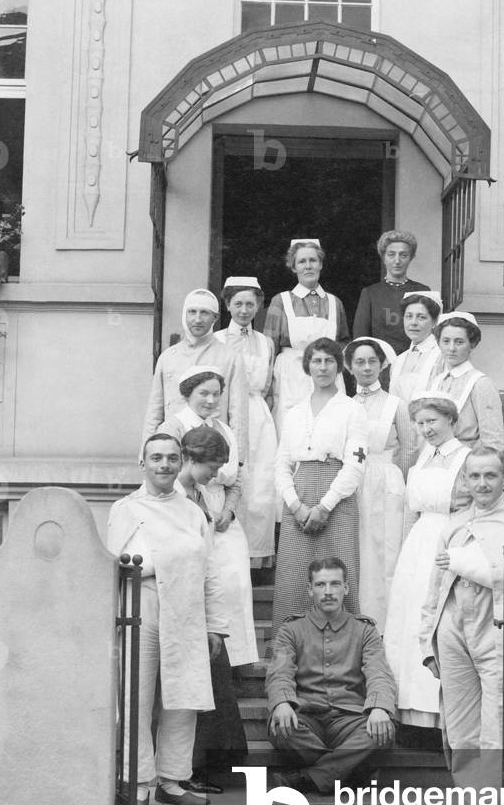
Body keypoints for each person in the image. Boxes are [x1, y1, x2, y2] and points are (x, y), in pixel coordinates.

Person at [419, 448, 504, 805]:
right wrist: (428, 640)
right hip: (453, 628)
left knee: (494, 727)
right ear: (465, 481)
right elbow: (435, 587)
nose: (482, 484)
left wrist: (467, 564)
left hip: (495, 628)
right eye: (474, 476)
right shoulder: (454, 525)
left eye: (491, 475)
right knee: (460, 727)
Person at [106, 433, 227, 805]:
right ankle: (139, 782)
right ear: (142, 463)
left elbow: (210, 570)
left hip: (187, 607)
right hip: (141, 605)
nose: (164, 465)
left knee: (183, 697)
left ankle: (172, 781)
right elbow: (109, 567)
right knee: (135, 697)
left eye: (172, 458)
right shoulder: (124, 508)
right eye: (156, 458)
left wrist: (215, 625)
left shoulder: (193, 511)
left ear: (181, 462)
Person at [266, 556, 396, 794]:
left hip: (350, 718)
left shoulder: (365, 630)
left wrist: (379, 708)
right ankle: (353, 773)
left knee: (381, 732)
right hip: (306, 718)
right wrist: (283, 703)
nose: (328, 592)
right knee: (282, 728)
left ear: (346, 588)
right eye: (320, 585)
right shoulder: (290, 630)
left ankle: (307, 778)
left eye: (335, 584)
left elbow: (379, 673)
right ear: (309, 590)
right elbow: (279, 672)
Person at [382, 393, 471, 729]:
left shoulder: (466, 458)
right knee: (408, 617)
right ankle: (409, 710)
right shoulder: (421, 458)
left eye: (432, 421)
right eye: (420, 423)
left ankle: (442, 716)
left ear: (451, 421)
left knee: (437, 617)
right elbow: (411, 508)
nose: (426, 429)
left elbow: (471, 509)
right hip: (418, 543)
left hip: (450, 539)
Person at [159, 368, 258, 668]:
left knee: (235, 581)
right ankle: (206, 657)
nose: (211, 399)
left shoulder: (225, 430)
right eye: (203, 392)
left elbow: (236, 478)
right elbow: (171, 475)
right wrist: (201, 513)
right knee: (206, 580)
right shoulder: (174, 427)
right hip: (188, 509)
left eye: (216, 393)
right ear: (188, 393)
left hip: (223, 514)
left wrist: (227, 511)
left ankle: (236, 658)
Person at [273, 337, 368, 635]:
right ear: (307, 366)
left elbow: (354, 466)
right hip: (299, 498)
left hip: (337, 499)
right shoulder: (295, 412)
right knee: (294, 578)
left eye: (329, 360)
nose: (323, 367)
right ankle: (290, 650)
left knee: (339, 573)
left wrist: (325, 507)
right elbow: (282, 464)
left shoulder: (352, 410)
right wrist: (296, 506)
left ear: (339, 366)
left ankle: (343, 652)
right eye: (316, 360)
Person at [176, 426, 249, 782]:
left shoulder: (201, 493)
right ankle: (191, 769)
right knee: (193, 691)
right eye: (212, 466)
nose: (215, 474)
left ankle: (213, 768)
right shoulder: (175, 496)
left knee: (215, 682)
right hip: (181, 605)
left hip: (204, 597)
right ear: (191, 459)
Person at [344, 335, 417, 632]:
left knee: (386, 551)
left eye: (372, 361)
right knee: (358, 551)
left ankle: (387, 628)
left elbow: (409, 449)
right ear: (349, 367)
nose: (366, 368)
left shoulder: (396, 405)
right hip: (354, 483)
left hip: (387, 483)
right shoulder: (345, 405)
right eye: (359, 362)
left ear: (382, 365)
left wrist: (393, 480)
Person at [140, 288, 249, 463]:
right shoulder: (168, 357)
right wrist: (145, 455)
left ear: (215, 318)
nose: (197, 319)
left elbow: (239, 414)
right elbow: (154, 410)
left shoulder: (230, 357)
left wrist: (237, 460)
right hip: (171, 451)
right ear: (185, 314)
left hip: (211, 453)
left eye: (205, 313)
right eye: (192, 312)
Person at [216, 275, 277, 567]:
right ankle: (229, 556)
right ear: (228, 305)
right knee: (232, 478)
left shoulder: (266, 343)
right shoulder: (216, 340)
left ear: (258, 306)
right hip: (228, 413)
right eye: (238, 303)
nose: (244, 310)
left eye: (250, 304)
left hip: (258, 415)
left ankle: (256, 560)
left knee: (261, 486)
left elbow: (266, 387)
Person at [263, 239, 350, 436]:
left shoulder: (335, 302)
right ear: (293, 267)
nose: (308, 266)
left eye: (313, 260)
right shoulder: (281, 301)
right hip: (291, 375)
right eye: (302, 261)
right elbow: (268, 349)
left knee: (330, 427)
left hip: (327, 372)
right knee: (291, 429)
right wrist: (267, 391)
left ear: (320, 264)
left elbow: (344, 341)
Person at [430, 312, 504, 453]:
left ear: (472, 345)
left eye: (459, 342)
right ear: (438, 343)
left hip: (466, 462)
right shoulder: (438, 381)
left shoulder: (481, 384)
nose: (451, 348)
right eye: (446, 341)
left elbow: (493, 441)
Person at [352, 230, 429, 355]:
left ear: (411, 258)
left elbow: (430, 336)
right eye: (391, 254)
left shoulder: (423, 292)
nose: (397, 261)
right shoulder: (370, 293)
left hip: (415, 363)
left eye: (403, 255)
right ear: (383, 257)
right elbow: (361, 338)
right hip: (381, 364)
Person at [389, 291, 443, 405]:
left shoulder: (442, 357)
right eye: (409, 316)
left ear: (434, 321)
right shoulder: (398, 360)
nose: (413, 323)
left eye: (421, 317)